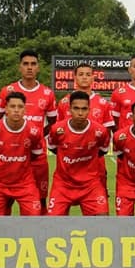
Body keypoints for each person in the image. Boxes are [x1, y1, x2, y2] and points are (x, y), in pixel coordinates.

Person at [0, 49, 58, 213]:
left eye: (33, 64)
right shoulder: (7, 91)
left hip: (37, 158)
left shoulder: (47, 93)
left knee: (40, 201)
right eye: (26, 64)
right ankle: (5, 237)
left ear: (38, 68)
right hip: (10, 156)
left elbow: (53, 123)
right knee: (5, 201)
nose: (29, 67)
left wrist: (35, 137)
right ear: (19, 67)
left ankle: (39, 237)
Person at [46, 91, 111, 216]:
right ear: (69, 109)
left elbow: (102, 151)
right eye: (76, 108)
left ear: (89, 110)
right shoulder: (57, 130)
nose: (80, 113)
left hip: (90, 185)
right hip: (63, 185)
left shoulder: (100, 131)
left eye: (84, 109)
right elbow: (53, 148)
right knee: (53, 224)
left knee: (103, 222)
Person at [0, 92, 45, 216]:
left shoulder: (34, 132)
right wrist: (1, 163)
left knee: (35, 217)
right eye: (12, 106)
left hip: (25, 184)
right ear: (6, 109)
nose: (16, 110)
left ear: (25, 109)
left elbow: (35, 155)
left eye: (20, 107)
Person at [56, 62, 115, 191]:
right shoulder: (65, 102)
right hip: (68, 162)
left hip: (95, 161)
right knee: (63, 201)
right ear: (75, 77)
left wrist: (95, 153)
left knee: (98, 204)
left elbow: (107, 132)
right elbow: (57, 131)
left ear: (93, 78)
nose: (84, 77)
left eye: (88, 74)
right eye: (81, 74)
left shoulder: (102, 103)